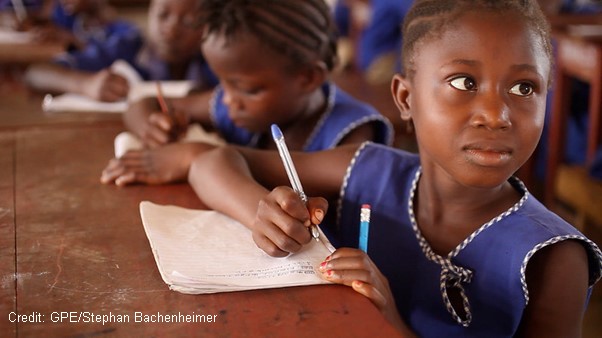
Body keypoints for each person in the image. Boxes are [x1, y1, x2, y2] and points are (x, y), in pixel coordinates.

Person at [184, 0, 602, 336]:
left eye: (524, 87)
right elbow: (215, 162)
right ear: (405, 98)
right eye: (463, 82)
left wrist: (389, 323)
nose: (496, 114)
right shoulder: (368, 170)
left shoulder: (555, 259)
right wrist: (265, 213)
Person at [100, 0, 393, 186]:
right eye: (223, 83)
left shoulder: (353, 130)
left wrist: (197, 156)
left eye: (247, 89)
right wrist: (152, 128)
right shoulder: (238, 103)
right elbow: (141, 103)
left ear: (307, 77)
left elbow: (343, 169)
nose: (227, 100)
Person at [24, 0, 217, 102]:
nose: (171, 30)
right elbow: (35, 73)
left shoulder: (213, 64)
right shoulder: (126, 47)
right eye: (163, 15)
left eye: (188, 22)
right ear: (151, 10)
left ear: (207, 28)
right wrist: (86, 84)